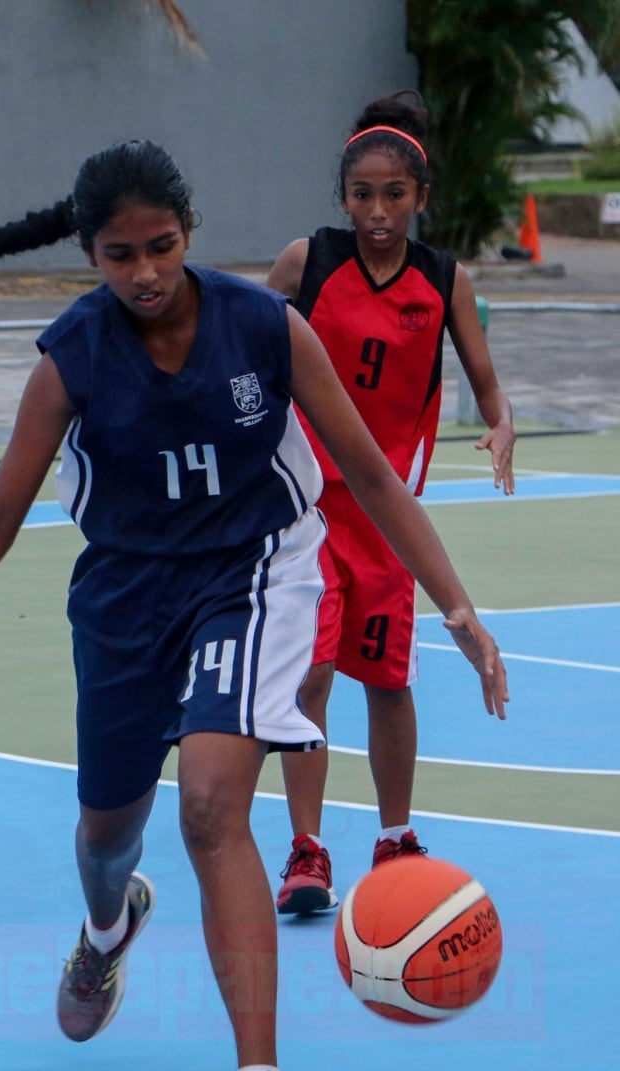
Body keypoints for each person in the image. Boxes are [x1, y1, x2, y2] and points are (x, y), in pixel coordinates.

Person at [0, 139, 508, 1071]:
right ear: (92, 255)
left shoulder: (262, 325)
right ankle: (107, 925)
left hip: (251, 576)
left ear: (189, 232)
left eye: (161, 246)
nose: (146, 271)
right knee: (105, 833)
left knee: (210, 804)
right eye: (121, 255)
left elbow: (374, 478)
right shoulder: (71, 358)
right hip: (125, 597)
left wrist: (459, 608)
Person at [267, 91, 517, 918]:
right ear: (342, 197)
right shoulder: (308, 263)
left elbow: (484, 380)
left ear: (420, 197)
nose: (378, 212)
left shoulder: (442, 280)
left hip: (387, 518)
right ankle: (306, 849)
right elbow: (242, 346)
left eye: (394, 195)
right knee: (312, 671)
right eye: (363, 195)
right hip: (306, 509)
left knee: (386, 679)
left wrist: (500, 423)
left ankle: (394, 835)